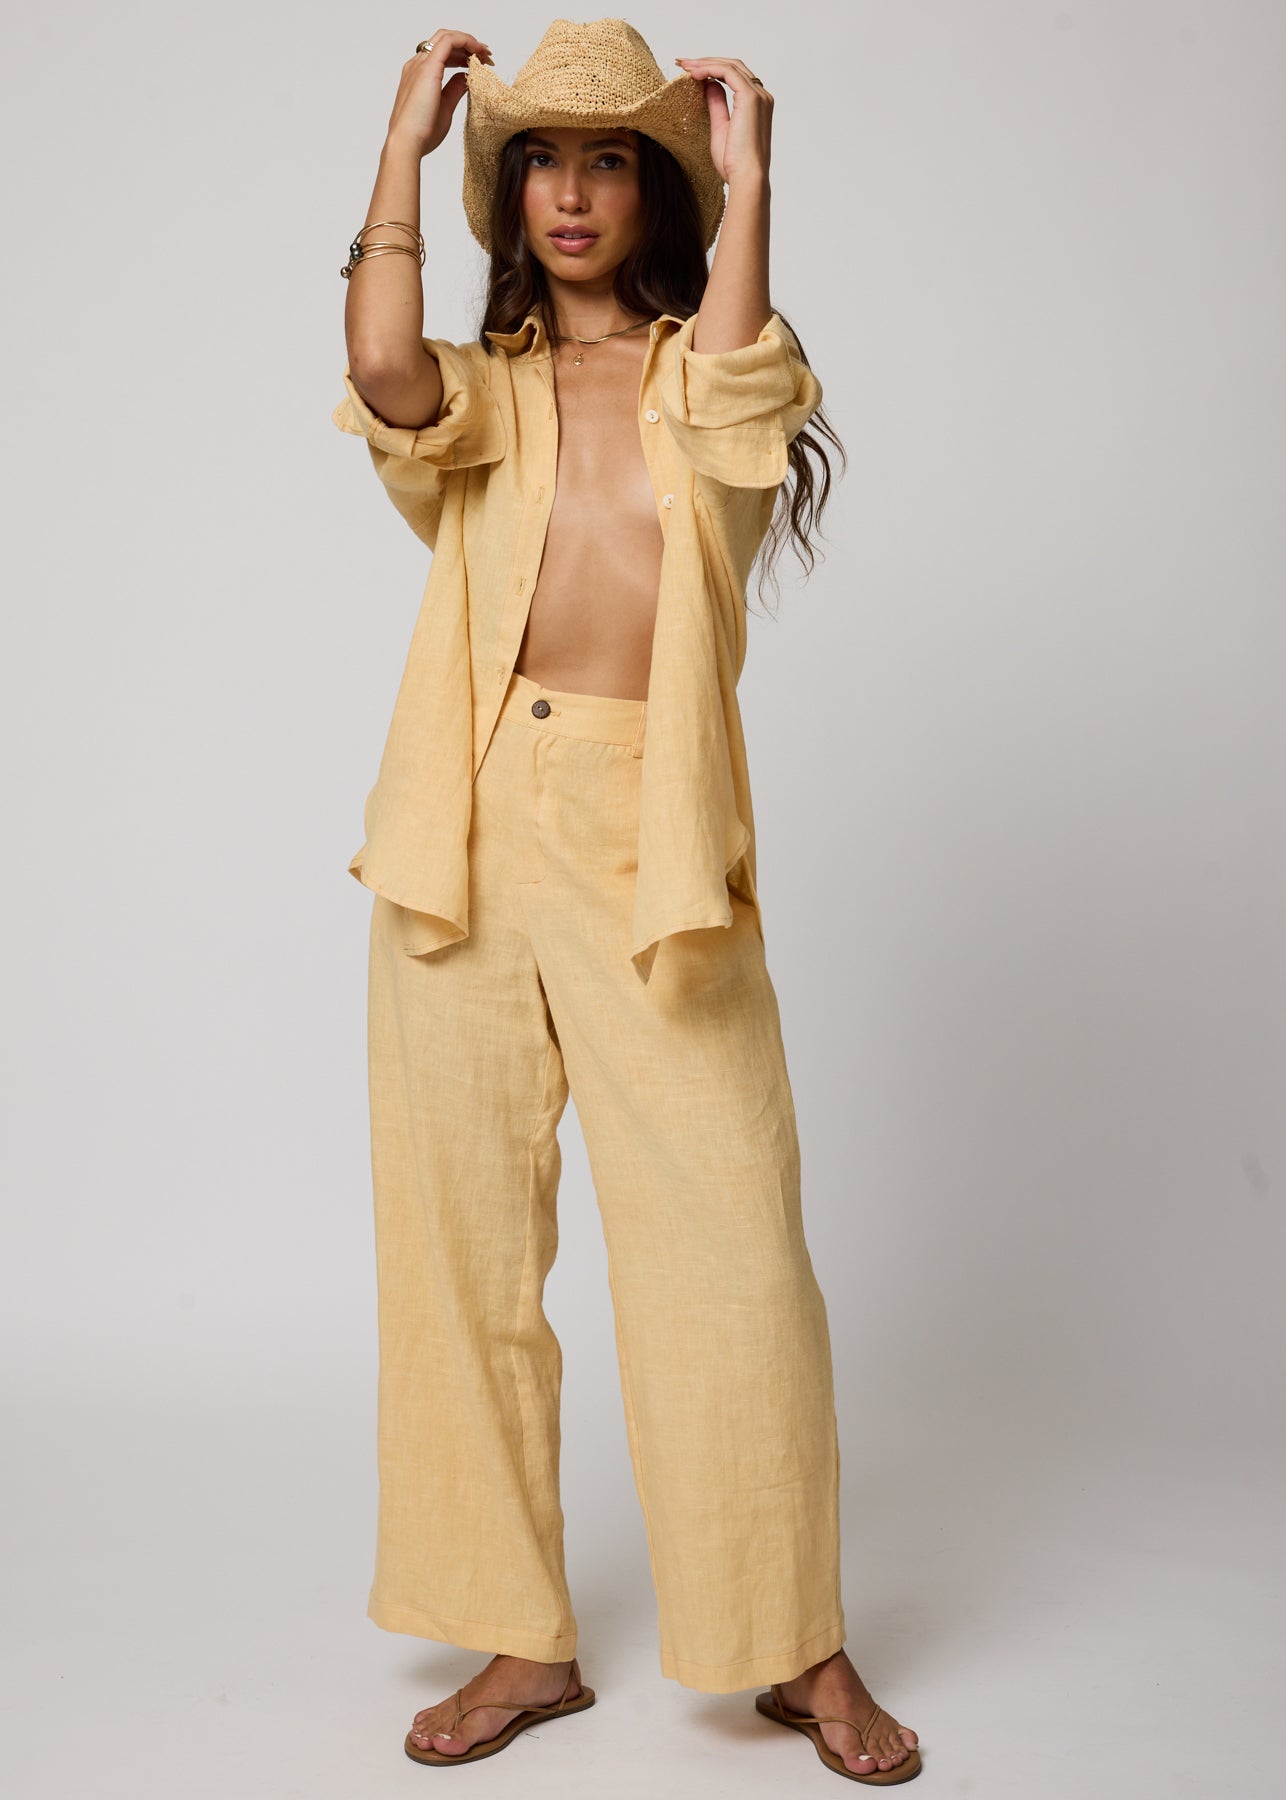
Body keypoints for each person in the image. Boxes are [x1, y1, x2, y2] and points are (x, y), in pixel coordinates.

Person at [331, 16, 922, 1785]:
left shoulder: (705, 375)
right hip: (460, 823)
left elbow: (737, 345)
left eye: (607, 162)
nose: (572, 194)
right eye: (541, 163)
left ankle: (794, 1642)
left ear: (655, 192)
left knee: (729, 1255)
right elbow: (380, 366)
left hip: (649, 835)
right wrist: (399, 152)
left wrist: (753, 181)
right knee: (459, 1255)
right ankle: (520, 1639)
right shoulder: (484, 389)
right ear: (507, 196)